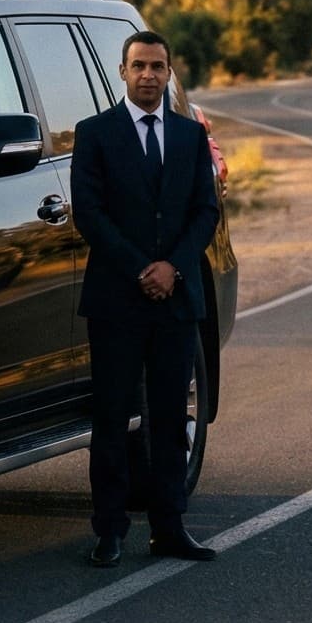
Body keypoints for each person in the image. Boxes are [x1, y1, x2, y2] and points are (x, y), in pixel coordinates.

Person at [71, 29, 221, 567]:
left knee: (169, 418)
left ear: (169, 72)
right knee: (111, 419)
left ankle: (170, 528)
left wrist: (173, 268)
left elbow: (206, 210)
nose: (149, 76)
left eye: (158, 67)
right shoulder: (95, 135)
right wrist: (141, 269)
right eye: (139, 66)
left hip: (177, 300)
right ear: (123, 71)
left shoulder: (188, 136)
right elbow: (89, 214)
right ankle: (109, 531)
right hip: (117, 300)